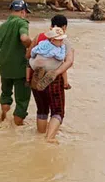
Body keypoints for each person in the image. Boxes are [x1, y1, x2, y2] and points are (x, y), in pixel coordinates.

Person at [27, 15, 75, 144]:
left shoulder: (39, 37)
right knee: (57, 111)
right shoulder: (65, 41)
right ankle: (49, 138)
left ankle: (40, 136)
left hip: (36, 75)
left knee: (42, 109)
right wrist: (57, 72)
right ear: (64, 27)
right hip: (54, 79)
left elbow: (28, 54)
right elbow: (69, 61)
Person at [0, 0, 32, 126]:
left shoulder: (0, 28)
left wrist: (7, 52)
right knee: (22, 99)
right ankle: (17, 125)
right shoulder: (22, 23)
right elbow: (24, 38)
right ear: (23, 11)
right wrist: (31, 47)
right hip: (20, 69)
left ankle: (4, 117)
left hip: (4, 67)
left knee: (5, 94)